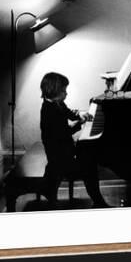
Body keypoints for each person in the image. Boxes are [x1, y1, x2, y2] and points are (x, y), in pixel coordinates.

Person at [39, 72, 109, 208]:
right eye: (63, 90)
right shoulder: (50, 111)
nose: (66, 93)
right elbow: (64, 133)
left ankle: (98, 200)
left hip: (62, 150)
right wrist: (80, 124)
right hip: (59, 159)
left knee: (88, 155)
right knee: (89, 166)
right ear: (53, 91)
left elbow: (69, 113)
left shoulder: (56, 103)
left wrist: (80, 114)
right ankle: (98, 201)